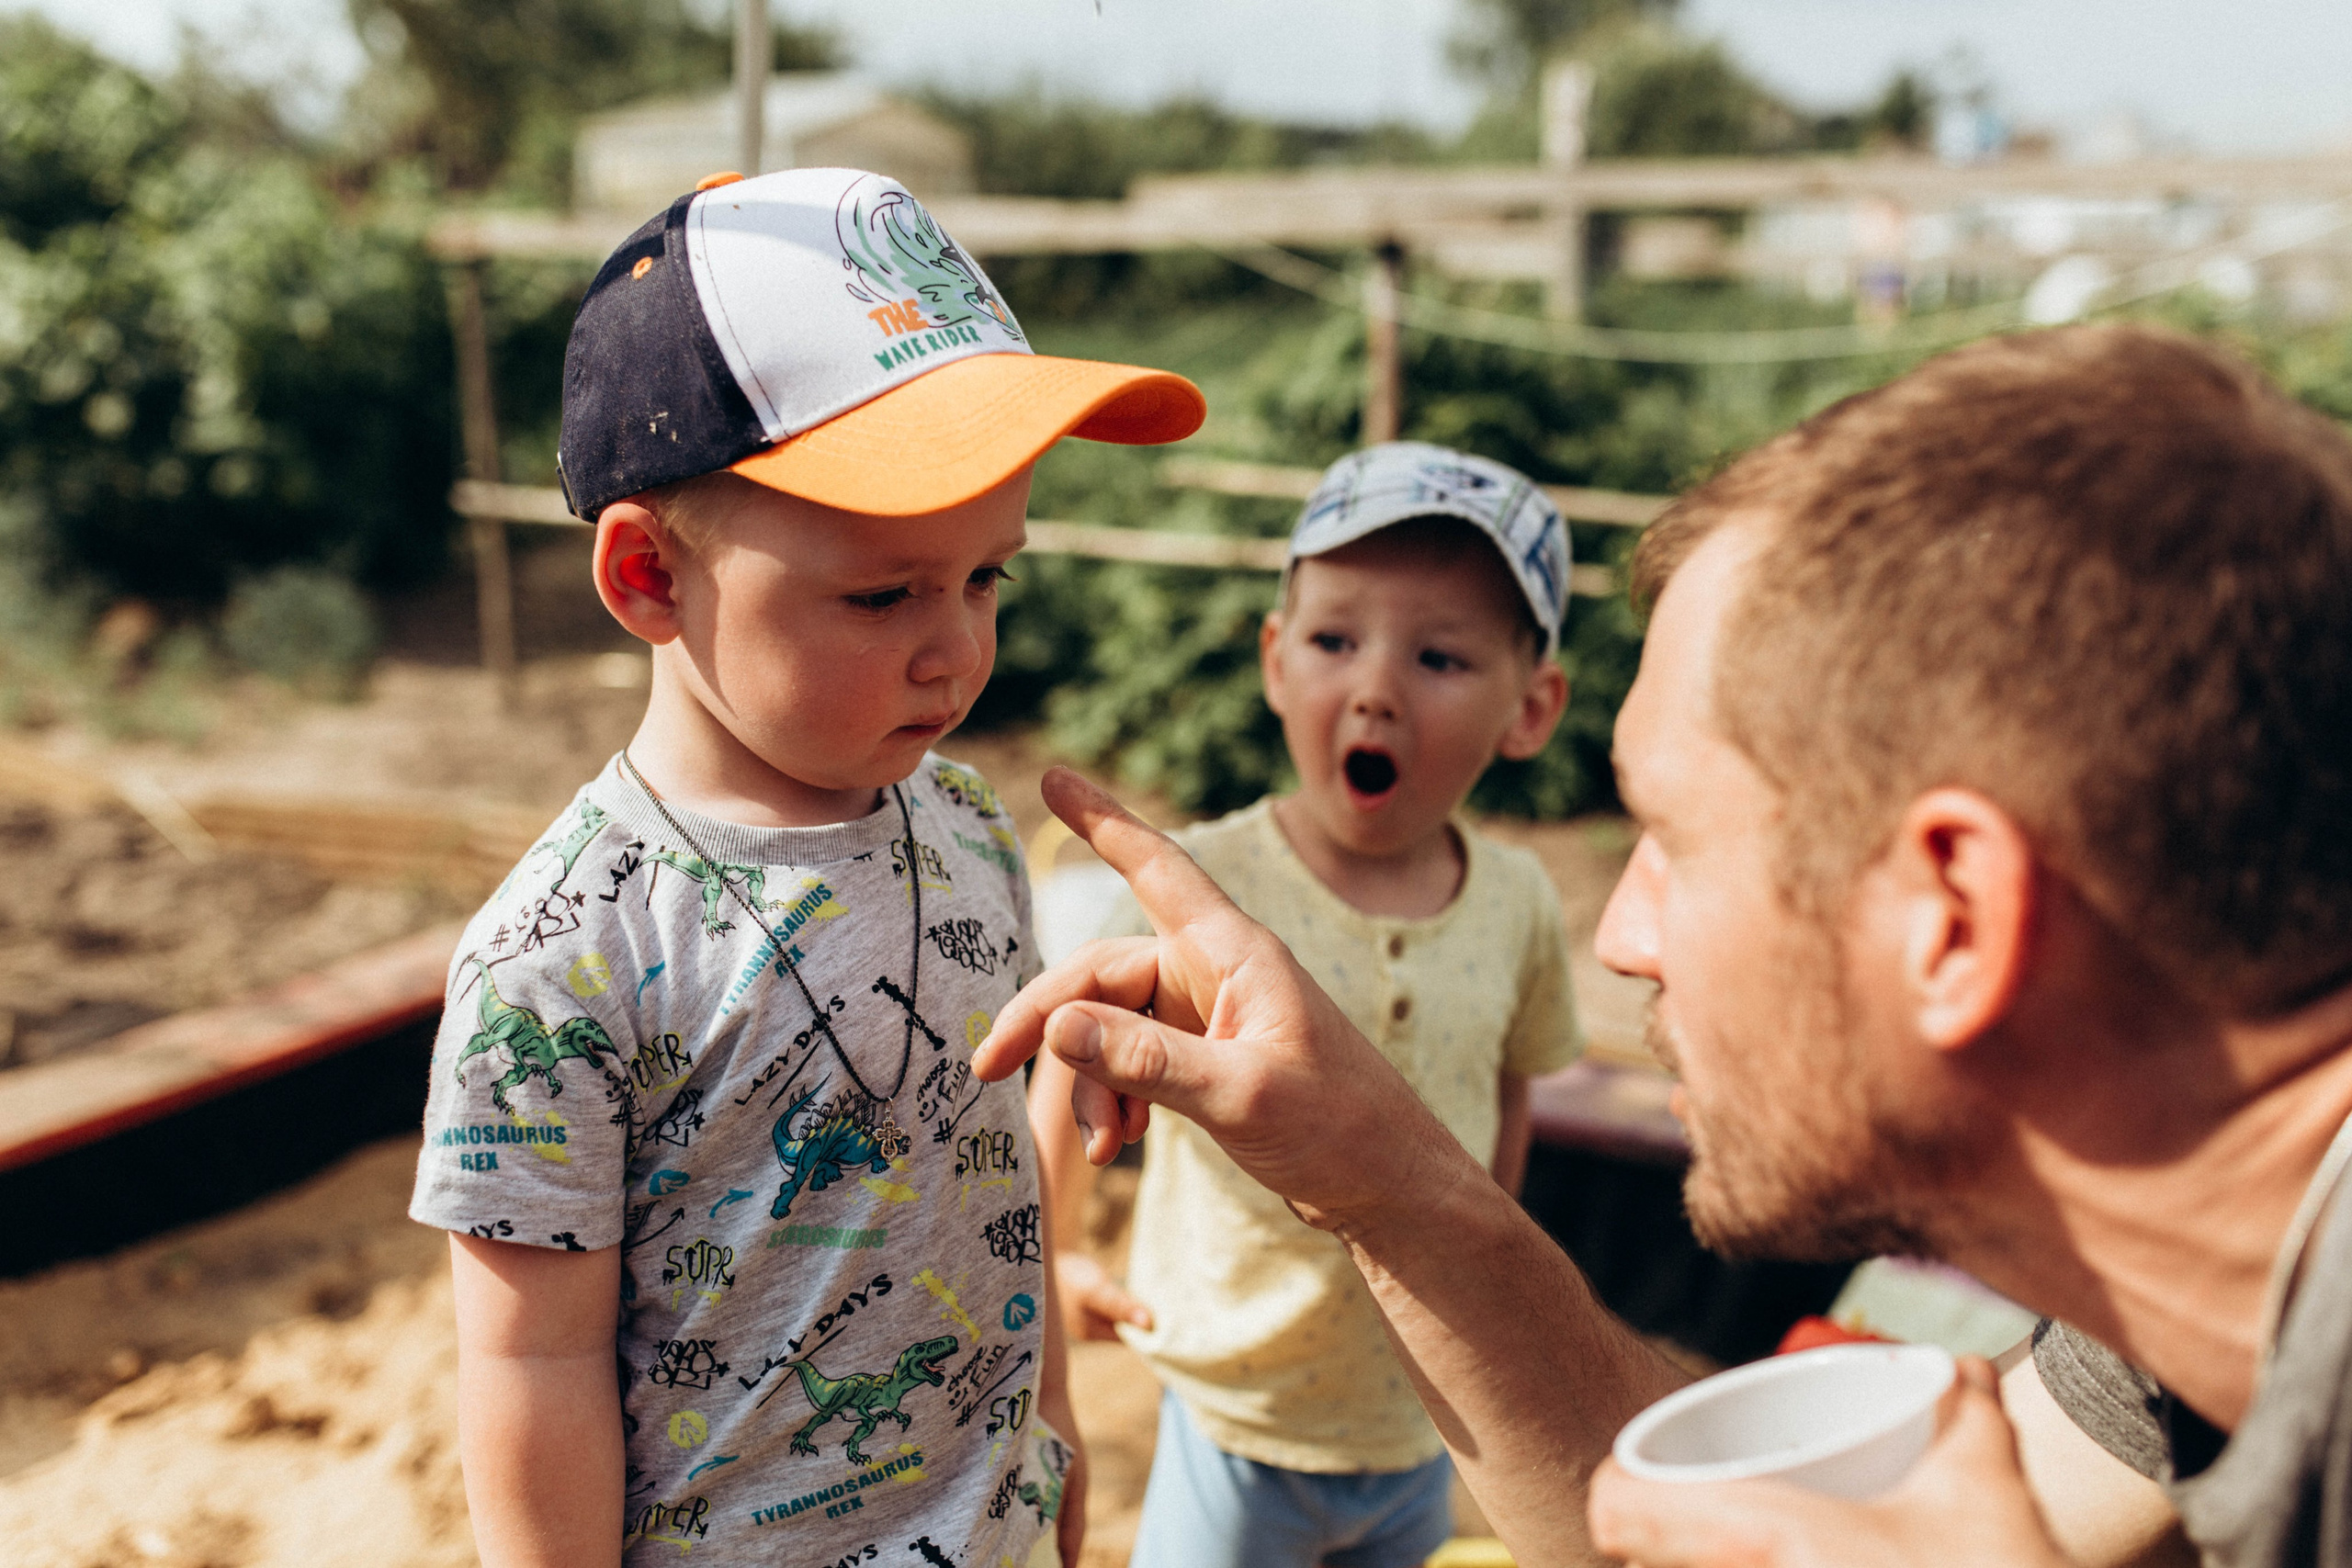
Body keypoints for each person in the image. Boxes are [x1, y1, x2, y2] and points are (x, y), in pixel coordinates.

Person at [975, 324, 2352, 1567]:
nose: (1623, 935)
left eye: (1673, 838)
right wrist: (1381, 1175)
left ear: (1958, 916)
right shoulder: (2187, 1338)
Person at [406, 165, 1205, 1568]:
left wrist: (1051, 1429)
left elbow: (994, 1194)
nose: (954, 647)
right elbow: (530, 1364)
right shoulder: (564, 955)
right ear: (650, 575)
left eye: (986, 577)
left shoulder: (962, 822)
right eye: (885, 591)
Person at [1032, 443, 1582, 1568]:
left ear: (1529, 709)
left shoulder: (1518, 903)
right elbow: (1079, 1053)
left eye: (1437, 655)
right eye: (1335, 641)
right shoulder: (1207, 883)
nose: (1373, 686)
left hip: (1431, 1422)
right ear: (1277, 663)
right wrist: (1055, 1254)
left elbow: (1508, 1101)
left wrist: (1482, 1291)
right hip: (1236, 1412)